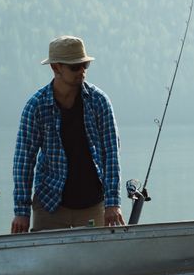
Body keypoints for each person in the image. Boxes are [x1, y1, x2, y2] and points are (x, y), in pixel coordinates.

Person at [11, 35, 124, 232]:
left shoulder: (99, 102)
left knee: (94, 262)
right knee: (46, 262)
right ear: (56, 67)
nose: (81, 71)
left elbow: (111, 154)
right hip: (50, 203)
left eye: (84, 66)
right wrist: (21, 211)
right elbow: (24, 160)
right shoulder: (36, 106)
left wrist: (113, 203)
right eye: (74, 67)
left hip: (93, 203)